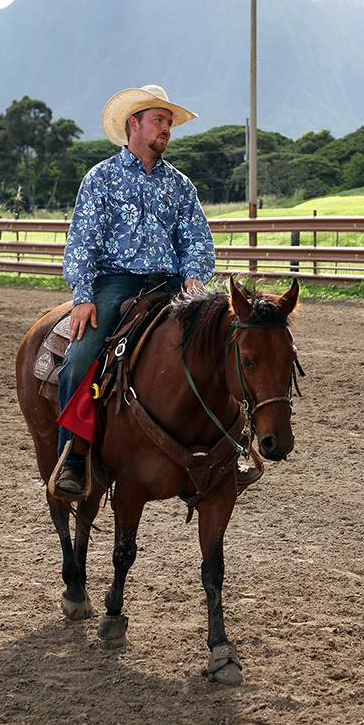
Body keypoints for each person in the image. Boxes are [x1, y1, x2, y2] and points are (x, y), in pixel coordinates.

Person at [55, 85, 216, 499]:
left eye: (169, 123)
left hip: (172, 285)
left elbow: (197, 238)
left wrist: (196, 276)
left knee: (221, 343)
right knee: (79, 358)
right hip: (115, 284)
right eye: (159, 121)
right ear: (134, 124)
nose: (166, 129)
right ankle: (73, 456)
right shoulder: (101, 179)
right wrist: (84, 296)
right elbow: (82, 242)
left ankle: (230, 449)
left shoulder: (180, 185)